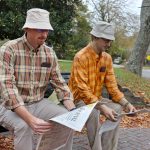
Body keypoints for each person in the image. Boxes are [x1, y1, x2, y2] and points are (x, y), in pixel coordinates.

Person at [0, 8, 76, 150]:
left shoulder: (49, 53)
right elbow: (7, 88)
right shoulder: (9, 49)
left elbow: (60, 83)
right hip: (9, 107)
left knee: (67, 119)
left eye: (47, 30)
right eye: (40, 29)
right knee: (24, 126)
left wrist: (72, 110)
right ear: (27, 28)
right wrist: (29, 119)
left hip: (39, 103)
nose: (45, 34)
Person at [68, 21, 136, 150]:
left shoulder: (107, 58)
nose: (109, 44)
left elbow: (112, 87)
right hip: (78, 100)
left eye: (110, 40)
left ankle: (108, 148)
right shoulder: (80, 57)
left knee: (116, 109)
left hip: (96, 98)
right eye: (105, 40)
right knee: (92, 111)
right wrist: (102, 107)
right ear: (94, 37)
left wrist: (126, 104)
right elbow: (83, 91)